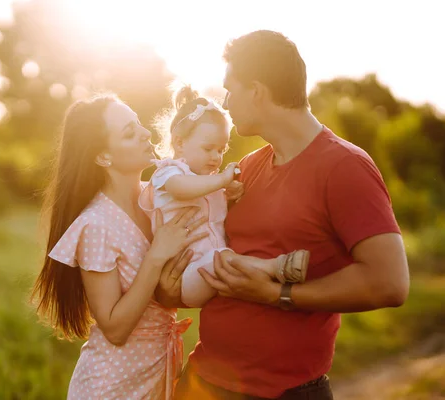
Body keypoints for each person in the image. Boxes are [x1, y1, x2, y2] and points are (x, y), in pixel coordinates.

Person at [156, 30, 410, 400]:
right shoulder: (246, 169)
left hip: (282, 393)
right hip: (201, 382)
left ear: (257, 91)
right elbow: (207, 253)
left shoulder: (346, 167)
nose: (225, 103)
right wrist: (168, 289)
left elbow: (390, 283)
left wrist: (278, 293)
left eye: (231, 90)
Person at [31, 94, 209, 399]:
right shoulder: (97, 224)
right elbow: (114, 328)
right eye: (129, 132)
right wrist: (156, 257)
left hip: (158, 376)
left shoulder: (159, 197)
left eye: (139, 123)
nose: (145, 133)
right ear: (103, 157)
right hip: (112, 387)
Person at [140, 84, 310, 308]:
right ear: (179, 143)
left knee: (223, 257)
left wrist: (228, 194)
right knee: (221, 257)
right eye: (208, 148)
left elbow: (212, 205)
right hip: (186, 275)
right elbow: (182, 188)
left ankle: (271, 277)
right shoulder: (169, 172)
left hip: (212, 266)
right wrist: (221, 182)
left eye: (221, 150)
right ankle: (274, 268)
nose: (215, 157)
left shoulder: (207, 179)